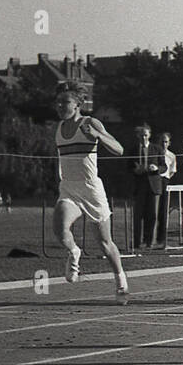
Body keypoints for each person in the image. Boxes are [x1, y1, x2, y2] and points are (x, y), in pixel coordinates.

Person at [53, 81, 130, 302]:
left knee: (105, 243)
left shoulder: (90, 122)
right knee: (59, 227)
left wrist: (97, 134)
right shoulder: (58, 128)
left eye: (65, 102)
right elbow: (58, 158)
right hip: (69, 187)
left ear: (77, 104)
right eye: (57, 102)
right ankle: (74, 252)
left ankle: (121, 282)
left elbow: (119, 149)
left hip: (91, 189)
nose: (60, 106)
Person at [131, 123, 164, 248]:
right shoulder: (133, 149)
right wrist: (135, 170)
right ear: (137, 136)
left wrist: (156, 168)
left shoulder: (157, 149)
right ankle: (137, 242)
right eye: (141, 135)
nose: (143, 138)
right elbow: (128, 166)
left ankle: (150, 242)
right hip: (139, 185)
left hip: (154, 185)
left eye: (145, 135)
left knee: (153, 215)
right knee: (138, 215)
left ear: (149, 135)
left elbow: (163, 166)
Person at [156, 131, 177, 248]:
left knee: (163, 211)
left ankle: (161, 238)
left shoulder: (172, 156)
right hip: (155, 181)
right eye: (162, 141)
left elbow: (172, 171)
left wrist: (165, 180)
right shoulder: (154, 153)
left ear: (169, 143)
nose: (164, 144)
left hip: (164, 181)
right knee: (153, 211)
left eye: (166, 142)